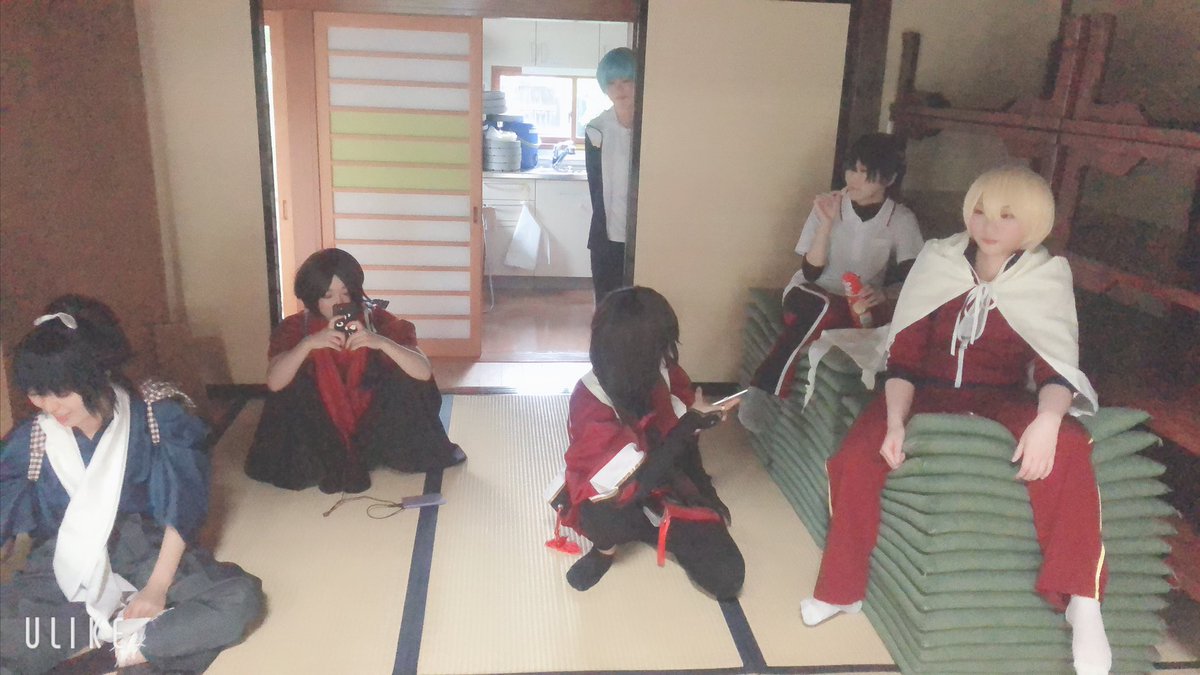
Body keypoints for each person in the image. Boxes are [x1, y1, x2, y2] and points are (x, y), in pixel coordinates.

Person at [799, 167, 1111, 675]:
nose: (988, 225)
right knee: (856, 458)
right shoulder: (939, 259)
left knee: (1072, 446)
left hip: (1003, 396)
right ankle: (841, 590)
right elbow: (904, 356)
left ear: (1033, 222)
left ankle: (1084, 600)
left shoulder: (1047, 276)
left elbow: (1055, 366)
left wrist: (1048, 421)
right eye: (980, 211)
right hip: (925, 388)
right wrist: (895, 422)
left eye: (1007, 215)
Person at [0, 295, 263, 673]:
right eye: (37, 393)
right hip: (62, 564)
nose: (49, 406)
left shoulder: (155, 415)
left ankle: (116, 652)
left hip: (145, 553)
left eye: (62, 391)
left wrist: (157, 588)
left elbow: (182, 507)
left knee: (238, 599)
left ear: (96, 375)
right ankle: (126, 639)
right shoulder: (32, 439)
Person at [550, 286, 744, 600]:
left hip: (664, 478)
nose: (667, 353)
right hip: (614, 499)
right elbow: (618, 485)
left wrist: (704, 490)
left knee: (727, 577)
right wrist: (689, 424)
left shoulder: (663, 372)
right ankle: (604, 550)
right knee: (599, 512)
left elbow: (684, 443)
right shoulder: (590, 399)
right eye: (660, 345)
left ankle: (659, 522)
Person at [739, 133, 923, 433]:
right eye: (852, 169)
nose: (854, 179)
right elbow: (811, 272)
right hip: (809, 295)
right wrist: (826, 223)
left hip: (856, 307)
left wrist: (883, 294)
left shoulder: (901, 220)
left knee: (883, 320)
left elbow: (913, 277)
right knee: (823, 306)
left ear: (888, 179)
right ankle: (764, 388)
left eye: (865, 173)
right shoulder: (828, 204)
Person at [244, 248, 465, 494]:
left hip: (375, 425)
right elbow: (275, 383)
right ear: (312, 296)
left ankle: (371, 453)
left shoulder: (375, 319)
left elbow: (423, 373)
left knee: (403, 373)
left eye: (346, 292)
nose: (339, 302)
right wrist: (308, 344)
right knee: (294, 382)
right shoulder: (296, 327)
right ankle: (336, 456)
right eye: (328, 295)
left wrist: (381, 342)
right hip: (321, 431)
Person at [584, 47, 638, 303]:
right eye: (612, 82)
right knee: (606, 304)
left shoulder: (655, 124)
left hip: (644, 233)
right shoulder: (596, 129)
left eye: (626, 80)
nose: (619, 88)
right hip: (606, 237)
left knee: (639, 306)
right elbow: (594, 186)